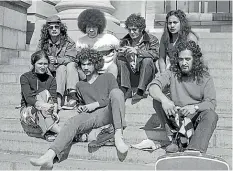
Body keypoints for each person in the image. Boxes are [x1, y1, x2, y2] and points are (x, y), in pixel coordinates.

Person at [30, 48, 128, 169]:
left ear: (96, 64)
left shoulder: (108, 77)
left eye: (89, 64)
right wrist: (82, 107)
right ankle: (49, 156)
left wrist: (95, 104)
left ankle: (119, 134)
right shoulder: (80, 85)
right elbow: (82, 103)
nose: (86, 67)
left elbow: (116, 98)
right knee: (72, 122)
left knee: (117, 92)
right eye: (83, 64)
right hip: (92, 116)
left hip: (108, 112)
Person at [147, 40, 218, 153]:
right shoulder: (172, 73)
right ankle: (174, 139)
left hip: (194, 118)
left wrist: (194, 107)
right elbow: (153, 86)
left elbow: (211, 103)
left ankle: (194, 150)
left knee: (211, 114)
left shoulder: (205, 77)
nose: (184, 63)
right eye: (181, 59)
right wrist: (164, 100)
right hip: (176, 117)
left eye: (187, 59)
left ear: (195, 60)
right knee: (158, 100)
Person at [37, 15, 80, 109]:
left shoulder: (69, 42)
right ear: (47, 30)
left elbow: (72, 58)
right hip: (49, 71)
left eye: (56, 27)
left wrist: (57, 60)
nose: (54, 29)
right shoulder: (42, 43)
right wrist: (46, 60)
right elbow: (36, 58)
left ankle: (70, 95)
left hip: (64, 72)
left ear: (61, 28)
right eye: (51, 27)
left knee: (65, 66)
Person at [116, 13, 159, 104]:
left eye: (134, 29)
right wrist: (123, 52)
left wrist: (137, 51)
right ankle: (125, 89)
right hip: (131, 73)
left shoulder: (151, 39)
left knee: (147, 59)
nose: (131, 32)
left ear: (141, 29)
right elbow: (119, 55)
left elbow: (155, 54)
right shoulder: (125, 41)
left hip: (145, 73)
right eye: (129, 29)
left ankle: (140, 90)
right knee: (120, 59)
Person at [20, 50, 60, 141]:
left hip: (47, 110)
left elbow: (53, 98)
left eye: (45, 64)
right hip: (28, 110)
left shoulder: (51, 79)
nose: (43, 66)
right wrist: (43, 105)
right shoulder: (25, 77)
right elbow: (28, 98)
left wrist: (54, 111)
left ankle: (48, 132)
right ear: (33, 63)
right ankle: (63, 133)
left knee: (45, 94)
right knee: (42, 96)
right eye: (40, 63)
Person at [76, 8, 119, 78]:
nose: (91, 30)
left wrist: (113, 61)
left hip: (107, 68)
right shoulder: (80, 41)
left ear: (98, 27)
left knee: (113, 68)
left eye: (94, 27)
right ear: (84, 27)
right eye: (89, 27)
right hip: (89, 70)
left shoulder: (110, 38)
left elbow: (118, 49)